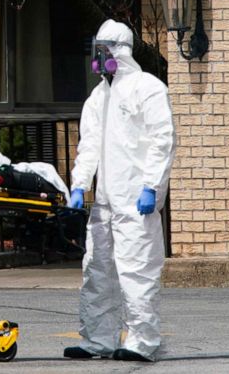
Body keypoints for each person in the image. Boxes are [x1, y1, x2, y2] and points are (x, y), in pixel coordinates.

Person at [64, 19, 175, 362]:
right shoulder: (98, 97)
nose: (98, 58)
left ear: (119, 51)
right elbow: (89, 146)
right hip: (107, 203)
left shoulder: (148, 87)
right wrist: (80, 185)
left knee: (136, 271)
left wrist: (151, 186)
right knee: (97, 271)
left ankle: (142, 341)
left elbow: (162, 140)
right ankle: (97, 340)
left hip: (135, 201)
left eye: (103, 50)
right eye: (96, 50)